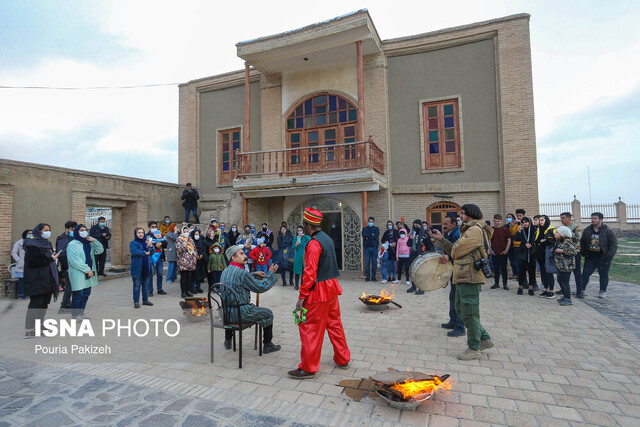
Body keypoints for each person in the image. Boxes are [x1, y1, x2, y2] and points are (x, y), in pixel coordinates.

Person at [289, 208, 350, 379]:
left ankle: (308, 368)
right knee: (335, 324)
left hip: (318, 291)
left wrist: (301, 297)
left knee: (310, 329)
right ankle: (343, 358)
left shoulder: (314, 244)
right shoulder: (327, 238)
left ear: (308, 227)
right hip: (331, 287)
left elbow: (309, 273)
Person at [429, 204, 494, 360]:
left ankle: (474, 348)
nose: (460, 217)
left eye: (462, 214)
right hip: (463, 275)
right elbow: (455, 249)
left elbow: (456, 251)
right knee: (460, 307)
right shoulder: (469, 230)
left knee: (470, 312)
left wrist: (452, 247)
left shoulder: (474, 231)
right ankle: (484, 338)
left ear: (469, 215)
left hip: (469, 276)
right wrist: (442, 239)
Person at [220, 245, 281, 352]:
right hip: (241, 313)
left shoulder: (225, 271)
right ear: (234, 258)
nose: (245, 256)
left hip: (225, 314)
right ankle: (267, 345)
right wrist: (270, 273)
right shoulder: (242, 273)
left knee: (230, 303)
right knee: (268, 313)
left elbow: (238, 279)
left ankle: (228, 340)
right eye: (241, 254)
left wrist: (253, 274)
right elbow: (261, 287)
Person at [23, 224, 60, 338]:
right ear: (38, 232)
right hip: (36, 280)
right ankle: (30, 330)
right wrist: (50, 258)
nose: (48, 232)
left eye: (49, 230)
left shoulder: (46, 244)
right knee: (36, 304)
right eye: (45, 230)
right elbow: (32, 262)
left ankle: (39, 326)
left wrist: (52, 257)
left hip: (47, 279)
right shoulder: (32, 245)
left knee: (44, 304)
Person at [67, 224, 104, 320]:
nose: (84, 231)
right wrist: (87, 270)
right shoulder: (72, 244)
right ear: (76, 232)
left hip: (89, 273)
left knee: (86, 294)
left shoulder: (88, 243)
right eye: (81, 230)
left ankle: (82, 312)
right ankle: (75, 314)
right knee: (78, 294)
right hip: (78, 272)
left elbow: (100, 250)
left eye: (85, 230)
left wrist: (94, 240)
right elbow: (74, 260)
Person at [579, 212, 618, 299]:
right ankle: (581, 290)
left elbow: (613, 245)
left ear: (600, 219)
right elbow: (582, 242)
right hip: (590, 257)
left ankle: (602, 291)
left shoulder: (608, 231)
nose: (593, 220)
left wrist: (609, 255)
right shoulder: (588, 230)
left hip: (603, 257)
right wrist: (583, 252)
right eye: (592, 218)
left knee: (603, 274)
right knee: (585, 274)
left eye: (595, 218)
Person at [439, 215, 465, 337]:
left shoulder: (457, 234)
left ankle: (460, 327)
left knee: (458, 298)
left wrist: (449, 256)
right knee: (453, 296)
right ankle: (453, 321)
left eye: (446, 223)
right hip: (453, 269)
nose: (444, 225)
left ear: (453, 224)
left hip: (458, 270)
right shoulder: (450, 234)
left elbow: (457, 251)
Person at [552, 226, 577, 306]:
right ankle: (564, 296)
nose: (555, 234)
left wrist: (562, 251)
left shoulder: (567, 242)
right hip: (560, 265)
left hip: (566, 266)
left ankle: (568, 298)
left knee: (565, 281)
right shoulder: (559, 241)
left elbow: (574, 251)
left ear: (562, 234)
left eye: (557, 232)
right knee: (560, 280)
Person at [558, 212, 581, 296]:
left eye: (563, 218)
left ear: (568, 218)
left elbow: (577, 239)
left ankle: (579, 291)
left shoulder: (575, 227)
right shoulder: (561, 227)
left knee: (577, 272)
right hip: (564, 253)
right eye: (561, 218)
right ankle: (563, 289)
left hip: (574, 252)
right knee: (564, 273)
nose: (561, 220)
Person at [129, 227, 154, 308]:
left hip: (146, 267)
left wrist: (150, 246)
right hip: (137, 267)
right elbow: (134, 251)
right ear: (135, 234)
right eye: (139, 232)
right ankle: (136, 301)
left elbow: (152, 252)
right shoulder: (133, 243)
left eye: (142, 232)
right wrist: (145, 253)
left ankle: (145, 300)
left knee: (146, 284)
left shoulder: (146, 242)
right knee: (137, 285)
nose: (141, 234)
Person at [56, 221, 77, 311]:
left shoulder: (72, 238)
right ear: (67, 229)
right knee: (70, 285)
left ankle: (67, 303)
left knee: (71, 285)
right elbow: (61, 254)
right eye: (72, 229)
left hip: (73, 266)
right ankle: (64, 305)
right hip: (68, 267)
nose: (74, 231)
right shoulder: (63, 239)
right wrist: (67, 266)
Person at [512, 217, 537, 295]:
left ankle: (530, 288)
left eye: (526, 222)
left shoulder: (534, 231)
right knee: (522, 272)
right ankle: (521, 287)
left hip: (532, 254)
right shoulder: (521, 231)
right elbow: (516, 239)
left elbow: (536, 241)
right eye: (523, 222)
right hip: (523, 253)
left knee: (532, 272)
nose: (525, 224)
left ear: (529, 222)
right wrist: (519, 231)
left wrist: (531, 245)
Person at [407, 219, 432, 295]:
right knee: (412, 270)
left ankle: (421, 288)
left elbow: (429, 246)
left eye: (417, 226)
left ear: (420, 226)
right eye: (414, 226)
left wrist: (425, 254)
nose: (416, 227)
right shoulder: (413, 234)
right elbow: (408, 244)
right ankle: (413, 286)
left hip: (421, 255)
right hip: (413, 254)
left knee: (421, 272)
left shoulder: (425, 235)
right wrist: (410, 239)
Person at [534, 215, 556, 298]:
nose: (540, 222)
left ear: (546, 220)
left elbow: (553, 240)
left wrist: (544, 241)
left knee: (549, 272)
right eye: (539, 220)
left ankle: (551, 291)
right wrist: (542, 241)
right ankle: (546, 290)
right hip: (540, 254)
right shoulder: (539, 230)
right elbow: (536, 241)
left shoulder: (551, 230)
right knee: (543, 273)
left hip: (548, 254)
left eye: (542, 220)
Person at [489, 214, 511, 291]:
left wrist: (506, 250)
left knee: (504, 269)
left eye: (498, 221)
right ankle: (496, 283)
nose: (496, 223)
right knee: (496, 269)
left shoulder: (505, 230)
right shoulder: (491, 230)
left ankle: (505, 284)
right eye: (495, 221)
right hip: (494, 253)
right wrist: (490, 250)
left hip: (503, 253)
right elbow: (488, 240)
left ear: (501, 221)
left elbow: (509, 240)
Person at [176, 225, 198, 298]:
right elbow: (179, 249)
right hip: (183, 261)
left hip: (190, 262)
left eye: (187, 232)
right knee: (184, 277)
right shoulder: (179, 239)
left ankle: (187, 290)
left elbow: (194, 249)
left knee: (189, 277)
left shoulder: (190, 240)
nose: (186, 233)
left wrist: (195, 258)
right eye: (184, 232)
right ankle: (183, 292)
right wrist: (185, 246)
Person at [147, 221, 168, 296]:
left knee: (160, 273)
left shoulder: (160, 234)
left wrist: (161, 243)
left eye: (155, 227)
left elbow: (166, 243)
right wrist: (155, 245)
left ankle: (160, 289)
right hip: (151, 257)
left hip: (159, 257)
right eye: (152, 227)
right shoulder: (147, 236)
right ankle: (150, 290)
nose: (154, 228)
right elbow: (146, 245)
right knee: (150, 274)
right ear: (149, 227)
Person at [11, 229, 32, 301]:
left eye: (32, 233)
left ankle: (29, 293)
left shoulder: (33, 242)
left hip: (31, 264)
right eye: (29, 233)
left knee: (29, 280)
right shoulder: (19, 242)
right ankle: (22, 294)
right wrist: (19, 260)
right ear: (25, 234)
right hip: (22, 265)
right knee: (22, 280)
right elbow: (14, 252)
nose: (31, 235)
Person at [292, 226, 311, 290]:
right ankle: (296, 285)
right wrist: (296, 245)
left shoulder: (305, 238)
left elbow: (310, 240)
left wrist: (304, 236)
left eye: (301, 230)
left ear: (303, 231)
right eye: (298, 230)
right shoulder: (295, 238)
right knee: (297, 271)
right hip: (297, 256)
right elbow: (292, 247)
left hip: (304, 256)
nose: (299, 231)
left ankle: (302, 285)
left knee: (303, 271)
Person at [362, 216, 380, 282]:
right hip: (367, 247)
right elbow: (364, 235)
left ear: (373, 222)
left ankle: (373, 277)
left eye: (372, 222)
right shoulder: (364, 229)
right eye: (369, 221)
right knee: (367, 263)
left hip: (374, 247)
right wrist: (371, 235)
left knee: (374, 263)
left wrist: (368, 236)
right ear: (368, 222)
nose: (370, 223)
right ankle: (367, 277)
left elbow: (376, 235)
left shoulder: (376, 229)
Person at [191, 228, 207, 294]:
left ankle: (198, 287)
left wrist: (202, 255)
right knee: (193, 275)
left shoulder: (201, 241)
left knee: (199, 275)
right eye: (195, 234)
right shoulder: (191, 241)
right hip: (193, 260)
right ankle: (192, 288)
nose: (197, 235)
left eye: (198, 234)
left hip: (200, 260)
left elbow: (203, 249)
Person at [505, 213, 520, 279]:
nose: (509, 218)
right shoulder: (505, 226)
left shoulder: (517, 225)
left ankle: (518, 273)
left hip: (516, 245)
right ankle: (515, 273)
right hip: (509, 245)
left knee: (515, 260)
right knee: (511, 260)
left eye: (510, 217)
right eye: (508, 217)